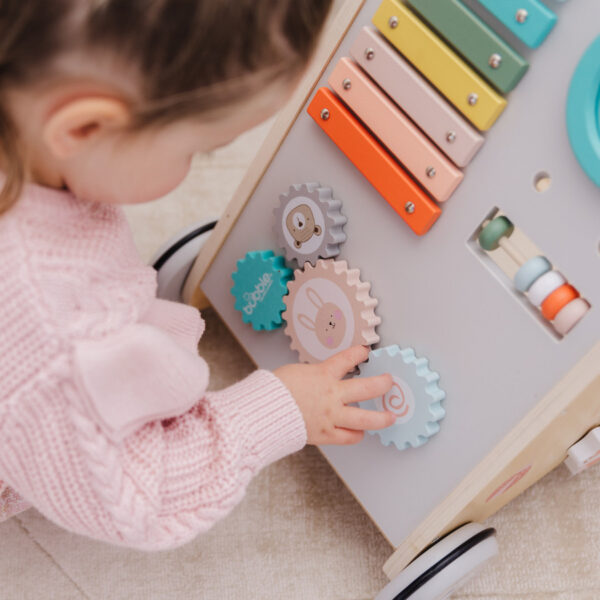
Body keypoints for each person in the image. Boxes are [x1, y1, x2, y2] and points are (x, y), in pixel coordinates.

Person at [0, 0, 394, 548]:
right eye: (202, 151)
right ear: (84, 126)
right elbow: (136, 496)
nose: (194, 168)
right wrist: (279, 410)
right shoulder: (55, 335)